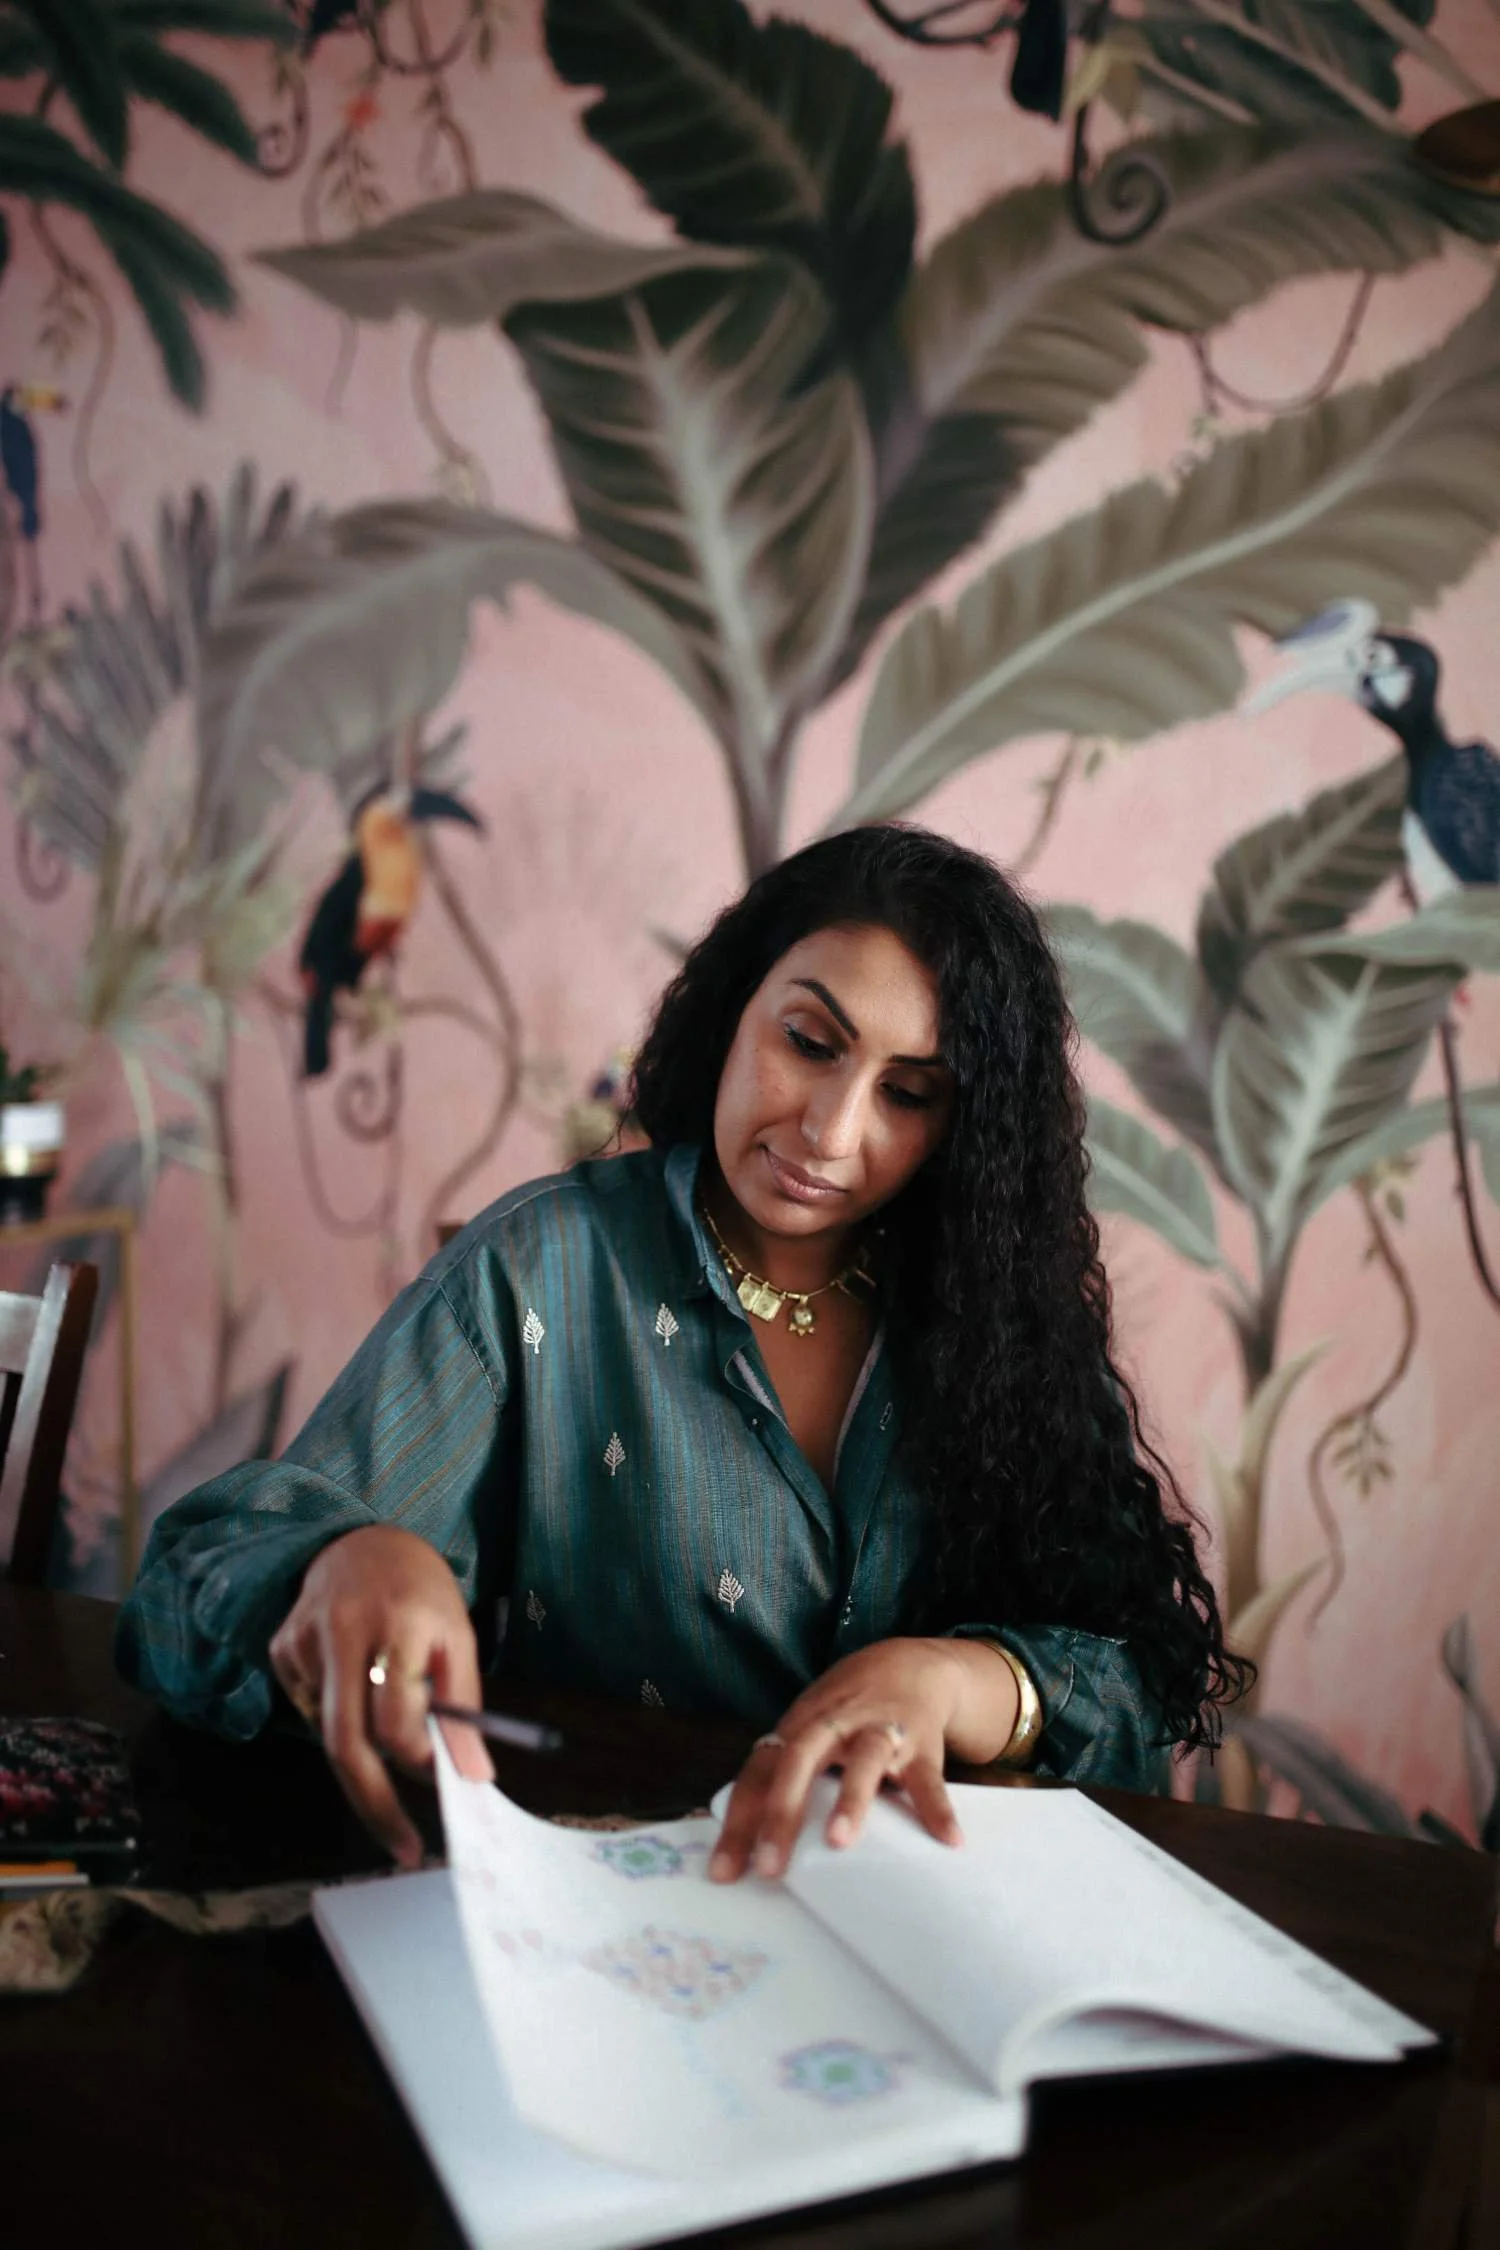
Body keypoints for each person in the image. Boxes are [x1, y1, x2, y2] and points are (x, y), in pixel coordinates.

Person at [117, 824, 1248, 1879]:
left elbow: (1136, 1689)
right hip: (621, 1907)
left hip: (936, 1927)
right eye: (809, 1043)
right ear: (731, 1012)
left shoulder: (999, 1312)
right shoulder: (545, 1268)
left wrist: (963, 1682)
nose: (831, 1133)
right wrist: (341, 1559)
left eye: (908, 1095)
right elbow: (178, 1600)